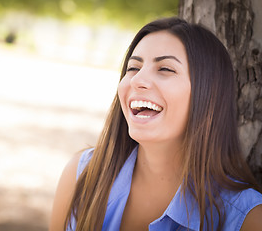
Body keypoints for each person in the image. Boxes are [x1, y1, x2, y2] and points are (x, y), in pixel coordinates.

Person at [49, 17, 262, 231]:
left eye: (165, 69)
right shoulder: (80, 174)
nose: (137, 80)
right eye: (133, 67)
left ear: (209, 94)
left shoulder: (248, 219)